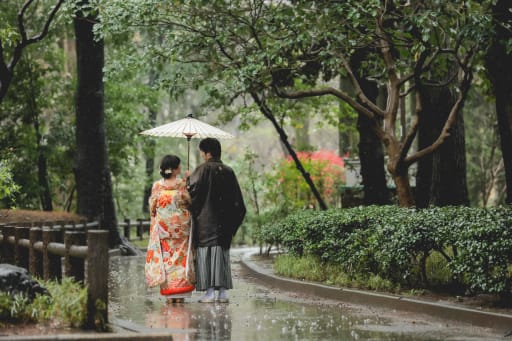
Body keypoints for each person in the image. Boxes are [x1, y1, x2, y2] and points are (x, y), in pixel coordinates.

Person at [187, 138, 246, 303]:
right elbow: (239, 203)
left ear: (207, 153)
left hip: (206, 223)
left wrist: (187, 179)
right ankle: (223, 293)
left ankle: (210, 292)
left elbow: (192, 193)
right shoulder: (229, 171)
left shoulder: (202, 170)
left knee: (206, 255)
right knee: (221, 255)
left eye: (202, 152)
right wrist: (232, 225)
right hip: (225, 224)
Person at [145, 154, 195, 303]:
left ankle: (169, 294)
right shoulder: (182, 185)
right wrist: (188, 180)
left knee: (166, 259)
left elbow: (153, 208)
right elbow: (189, 202)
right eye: (178, 166)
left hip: (163, 228)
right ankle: (180, 294)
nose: (180, 168)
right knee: (180, 259)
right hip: (181, 228)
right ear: (174, 169)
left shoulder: (157, 186)